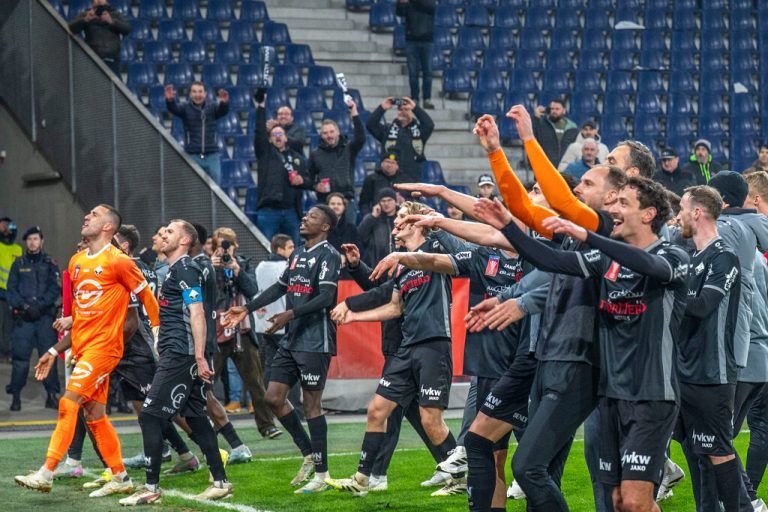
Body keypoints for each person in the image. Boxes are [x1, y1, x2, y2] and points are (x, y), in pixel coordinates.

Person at [478, 177, 689, 512]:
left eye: (624, 204)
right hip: (609, 396)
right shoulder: (606, 260)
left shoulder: (673, 254)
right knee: (618, 500)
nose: (614, 211)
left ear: (649, 214)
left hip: (651, 394)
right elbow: (553, 263)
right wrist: (508, 226)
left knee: (635, 500)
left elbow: (649, 265)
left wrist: (590, 237)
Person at [15, 204, 159, 498]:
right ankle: (120, 476)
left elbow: (147, 296)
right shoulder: (77, 261)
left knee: (68, 403)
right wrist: (55, 351)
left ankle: (47, 471)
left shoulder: (119, 261)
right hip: (82, 347)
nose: (86, 217)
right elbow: (82, 314)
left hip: (105, 348)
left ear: (108, 226)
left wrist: (159, 335)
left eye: (94, 215)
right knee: (94, 415)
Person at [222, 205, 342, 495]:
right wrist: (247, 308)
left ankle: (322, 475)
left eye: (313, 217)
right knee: (273, 397)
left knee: (312, 405)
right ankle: (309, 453)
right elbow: (280, 287)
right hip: (293, 337)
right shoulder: (298, 253)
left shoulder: (329, 255)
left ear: (325, 227)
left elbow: (326, 297)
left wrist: (291, 314)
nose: (304, 218)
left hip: (316, 339)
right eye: (306, 215)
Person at [121, 219, 232, 505]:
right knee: (195, 415)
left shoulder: (185, 269)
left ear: (184, 241)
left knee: (149, 415)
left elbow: (197, 312)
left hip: (181, 355)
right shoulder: (174, 271)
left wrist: (197, 355)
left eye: (170, 232)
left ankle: (151, 487)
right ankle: (220, 482)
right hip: (178, 353)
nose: (163, 234)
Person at [672, 186, 746, 511]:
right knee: (697, 456)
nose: (677, 216)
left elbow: (703, 306)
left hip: (712, 374)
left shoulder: (725, 257)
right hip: (684, 370)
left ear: (697, 213)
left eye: (682, 208)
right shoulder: (689, 259)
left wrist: (667, 290)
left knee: (717, 453)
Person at [109, 225, 199, 474]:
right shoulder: (148, 269)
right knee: (147, 409)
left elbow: (134, 317)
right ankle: (181, 453)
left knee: (165, 407)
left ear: (123, 245)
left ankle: (212, 448)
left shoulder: (128, 268)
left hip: (139, 346)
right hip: (138, 345)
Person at [210, 227, 279, 440]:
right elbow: (205, 294)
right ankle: (210, 425)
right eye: (220, 245)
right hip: (217, 330)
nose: (224, 250)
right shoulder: (204, 265)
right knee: (207, 382)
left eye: (227, 245)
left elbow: (252, 290)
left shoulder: (243, 263)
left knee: (256, 381)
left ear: (234, 246)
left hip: (242, 330)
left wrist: (237, 270)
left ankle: (267, 425)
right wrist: (211, 269)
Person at [5, 226, 61, 411]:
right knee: (20, 359)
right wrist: (25, 307)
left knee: (48, 358)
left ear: (41, 241)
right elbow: (11, 290)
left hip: (45, 318)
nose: (32, 242)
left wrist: (41, 305)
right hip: (24, 319)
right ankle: (16, 397)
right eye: (29, 239)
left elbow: (55, 288)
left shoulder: (50, 263)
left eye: (35, 239)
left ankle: (51, 396)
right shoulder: (18, 263)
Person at [253, 234, 303, 421]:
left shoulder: (260, 266)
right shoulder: (286, 267)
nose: (292, 250)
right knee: (293, 367)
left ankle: (273, 408)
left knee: (269, 367)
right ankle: (296, 410)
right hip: (283, 324)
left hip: (263, 324)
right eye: (289, 247)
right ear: (280, 249)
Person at [252, 89, 308, 243]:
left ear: (286, 137)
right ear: (269, 139)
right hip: (269, 210)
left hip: (291, 210)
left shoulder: (296, 157)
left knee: (295, 251)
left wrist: (302, 180)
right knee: (266, 247)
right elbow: (259, 133)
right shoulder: (265, 153)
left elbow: (308, 179)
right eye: (274, 135)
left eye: (280, 134)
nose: (277, 137)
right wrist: (261, 106)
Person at [308, 100, 365, 223]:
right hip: (325, 203)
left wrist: (354, 112)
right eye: (325, 133)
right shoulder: (315, 154)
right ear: (321, 136)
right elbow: (309, 177)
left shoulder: (349, 148)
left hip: (347, 200)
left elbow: (361, 138)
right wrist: (315, 186)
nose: (329, 135)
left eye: (331, 131)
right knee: (325, 237)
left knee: (349, 237)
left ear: (338, 132)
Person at [165, 81, 229, 184]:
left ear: (205, 94)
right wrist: (170, 100)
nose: (197, 94)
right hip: (192, 155)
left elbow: (222, 111)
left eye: (200, 92)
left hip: (212, 155)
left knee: (216, 189)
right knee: (193, 188)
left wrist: (224, 103)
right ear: (190, 94)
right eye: (194, 92)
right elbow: (174, 109)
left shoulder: (212, 107)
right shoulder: (185, 108)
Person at [367, 96, 434, 182]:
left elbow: (429, 125)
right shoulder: (387, 130)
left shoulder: (420, 132)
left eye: (406, 110)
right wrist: (382, 107)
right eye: (400, 110)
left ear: (412, 112)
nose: (403, 112)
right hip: (388, 179)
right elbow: (370, 125)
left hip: (412, 178)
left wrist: (415, 108)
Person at [68, 0, 131, 76]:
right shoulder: (86, 14)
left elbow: (127, 29)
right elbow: (72, 28)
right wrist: (85, 20)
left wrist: (111, 21)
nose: (98, 1)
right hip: (92, 60)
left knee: (114, 85)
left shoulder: (116, 14)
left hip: (111, 59)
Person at [396, 0, 436, 109]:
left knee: (427, 72)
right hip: (411, 39)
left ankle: (427, 98)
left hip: (427, 39)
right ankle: (415, 98)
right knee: (413, 72)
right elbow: (399, 13)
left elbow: (431, 7)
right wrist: (400, 3)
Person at [359, 150, 408, 217]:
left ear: (397, 166)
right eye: (387, 162)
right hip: (378, 217)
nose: (389, 165)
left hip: (400, 217)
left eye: (393, 163)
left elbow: (415, 200)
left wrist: (404, 201)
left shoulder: (406, 180)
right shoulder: (371, 179)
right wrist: (369, 216)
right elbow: (364, 203)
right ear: (381, 163)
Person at [358, 188, 399, 267]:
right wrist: (372, 217)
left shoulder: (401, 218)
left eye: (389, 200)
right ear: (378, 203)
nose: (386, 204)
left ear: (395, 201)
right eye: (383, 201)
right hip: (376, 265)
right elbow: (360, 236)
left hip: (398, 265)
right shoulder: (373, 219)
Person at [532, 99, 578, 168]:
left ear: (564, 111)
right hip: (544, 165)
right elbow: (531, 135)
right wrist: (536, 118)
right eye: (552, 109)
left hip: (564, 168)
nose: (554, 111)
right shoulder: (541, 124)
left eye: (557, 109)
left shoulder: (572, 127)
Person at [0, 216, 22, 359]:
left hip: (13, 293)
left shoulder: (18, 249)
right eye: (3, 226)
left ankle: (8, 352)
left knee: (10, 326)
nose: (6, 229)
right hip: (0, 293)